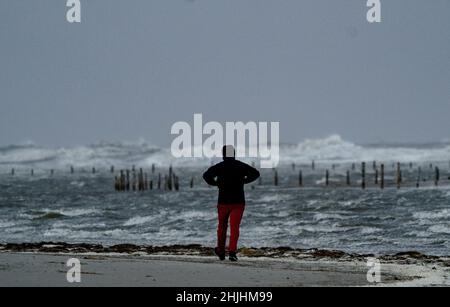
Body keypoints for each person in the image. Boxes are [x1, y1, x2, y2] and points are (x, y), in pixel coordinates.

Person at [203, 145, 260, 261]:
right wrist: (244, 181)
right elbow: (255, 173)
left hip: (223, 202)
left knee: (222, 227)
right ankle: (232, 252)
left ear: (223, 154)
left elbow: (206, 176)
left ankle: (220, 251)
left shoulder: (219, 167)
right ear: (234, 154)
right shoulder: (241, 165)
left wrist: (215, 183)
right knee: (235, 228)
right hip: (238, 202)